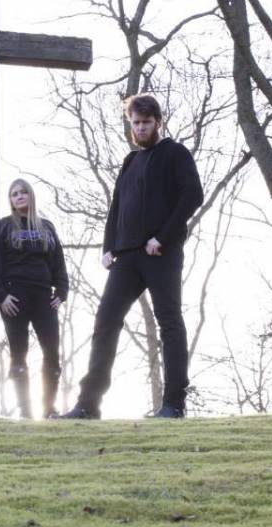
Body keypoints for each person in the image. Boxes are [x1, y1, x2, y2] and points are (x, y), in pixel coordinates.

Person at [59, 94, 204, 420]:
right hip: (125, 256)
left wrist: (162, 237)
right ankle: (87, 405)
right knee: (105, 320)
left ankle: (173, 404)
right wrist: (108, 247)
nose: (140, 128)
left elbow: (193, 195)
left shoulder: (175, 153)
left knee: (169, 321)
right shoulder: (130, 161)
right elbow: (117, 206)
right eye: (135, 123)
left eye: (146, 122)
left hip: (160, 252)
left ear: (158, 122)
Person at [0, 178, 69, 419]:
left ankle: (49, 409)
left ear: (31, 196)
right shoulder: (2, 227)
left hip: (44, 296)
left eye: (23, 192)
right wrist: (1, 296)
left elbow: (59, 263)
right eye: (14, 194)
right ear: (10, 200)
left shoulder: (47, 227)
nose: (19, 196)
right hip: (14, 297)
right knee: (18, 353)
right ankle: (25, 411)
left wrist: (61, 293)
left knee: (52, 352)